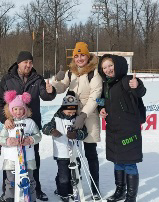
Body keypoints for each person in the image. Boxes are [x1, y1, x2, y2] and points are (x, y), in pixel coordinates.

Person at [0, 51, 56, 201]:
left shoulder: (37, 78)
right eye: (25, 62)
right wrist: (4, 119)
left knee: (33, 158)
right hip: (11, 125)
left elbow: (46, 95)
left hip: (30, 124)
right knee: (10, 157)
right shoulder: (7, 79)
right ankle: (7, 190)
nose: (28, 65)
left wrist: (50, 92)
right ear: (18, 63)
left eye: (30, 62)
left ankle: (36, 187)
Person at [52, 42, 103, 199]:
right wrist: (56, 79)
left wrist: (84, 115)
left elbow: (96, 96)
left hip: (89, 116)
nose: (80, 58)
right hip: (70, 114)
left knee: (90, 154)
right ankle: (67, 185)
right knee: (70, 153)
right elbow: (59, 89)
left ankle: (95, 189)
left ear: (88, 56)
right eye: (76, 55)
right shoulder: (70, 72)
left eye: (82, 55)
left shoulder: (94, 73)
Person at [97, 54, 146, 202]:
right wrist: (101, 108)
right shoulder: (106, 84)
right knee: (117, 160)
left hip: (129, 128)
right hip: (113, 129)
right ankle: (120, 191)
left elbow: (140, 91)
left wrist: (137, 85)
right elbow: (101, 100)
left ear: (117, 65)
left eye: (110, 66)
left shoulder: (126, 80)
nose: (108, 70)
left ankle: (131, 197)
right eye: (104, 67)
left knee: (129, 162)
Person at [42, 91, 88, 202]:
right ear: (63, 109)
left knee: (76, 174)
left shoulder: (78, 119)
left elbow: (84, 133)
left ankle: (74, 190)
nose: (71, 113)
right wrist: (52, 130)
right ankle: (63, 192)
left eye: (73, 111)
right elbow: (45, 128)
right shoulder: (57, 118)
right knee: (64, 176)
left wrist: (76, 134)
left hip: (75, 153)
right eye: (68, 111)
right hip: (62, 153)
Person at [0, 90, 42, 202]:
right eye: (15, 109)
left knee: (29, 181)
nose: (18, 111)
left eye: (21, 108)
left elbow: (38, 136)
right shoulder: (8, 123)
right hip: (12, 159)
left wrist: (30, 139)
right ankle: (9, 198)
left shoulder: (30, 122)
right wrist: (9, 141)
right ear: (11, 110)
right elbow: (1, 139)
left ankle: (31, 198)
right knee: (11, 181)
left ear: (25, 109)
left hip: (28, 159)